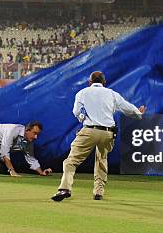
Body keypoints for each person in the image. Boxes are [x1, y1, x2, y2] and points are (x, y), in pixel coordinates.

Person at [52, 71, 145, 202]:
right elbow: (127, 108)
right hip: (108, 132)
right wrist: (138, 113)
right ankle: (98, 192)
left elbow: (76, 112)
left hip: (90, 130)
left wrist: (83, 119)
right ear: (104, 83)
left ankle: (64, 189)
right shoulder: (112, 93)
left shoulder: (82, 93)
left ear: (89, 83)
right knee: (101, 159)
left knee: (71, 161)